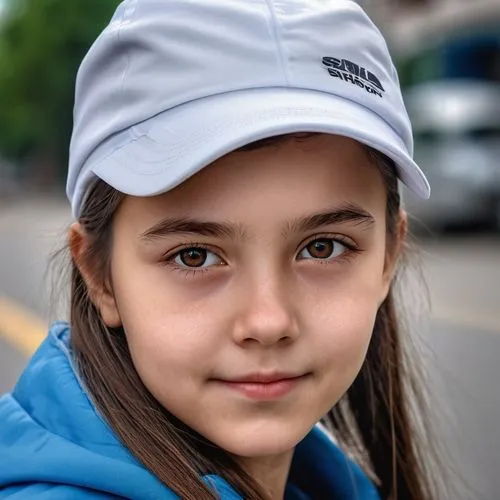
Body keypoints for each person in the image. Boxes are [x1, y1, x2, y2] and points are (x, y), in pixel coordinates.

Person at [0, 0, 442, 498]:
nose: (268, 321)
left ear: (388, 255)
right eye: (195, 256)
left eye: (322, 247)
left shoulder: (327, 482)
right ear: (99, 274)